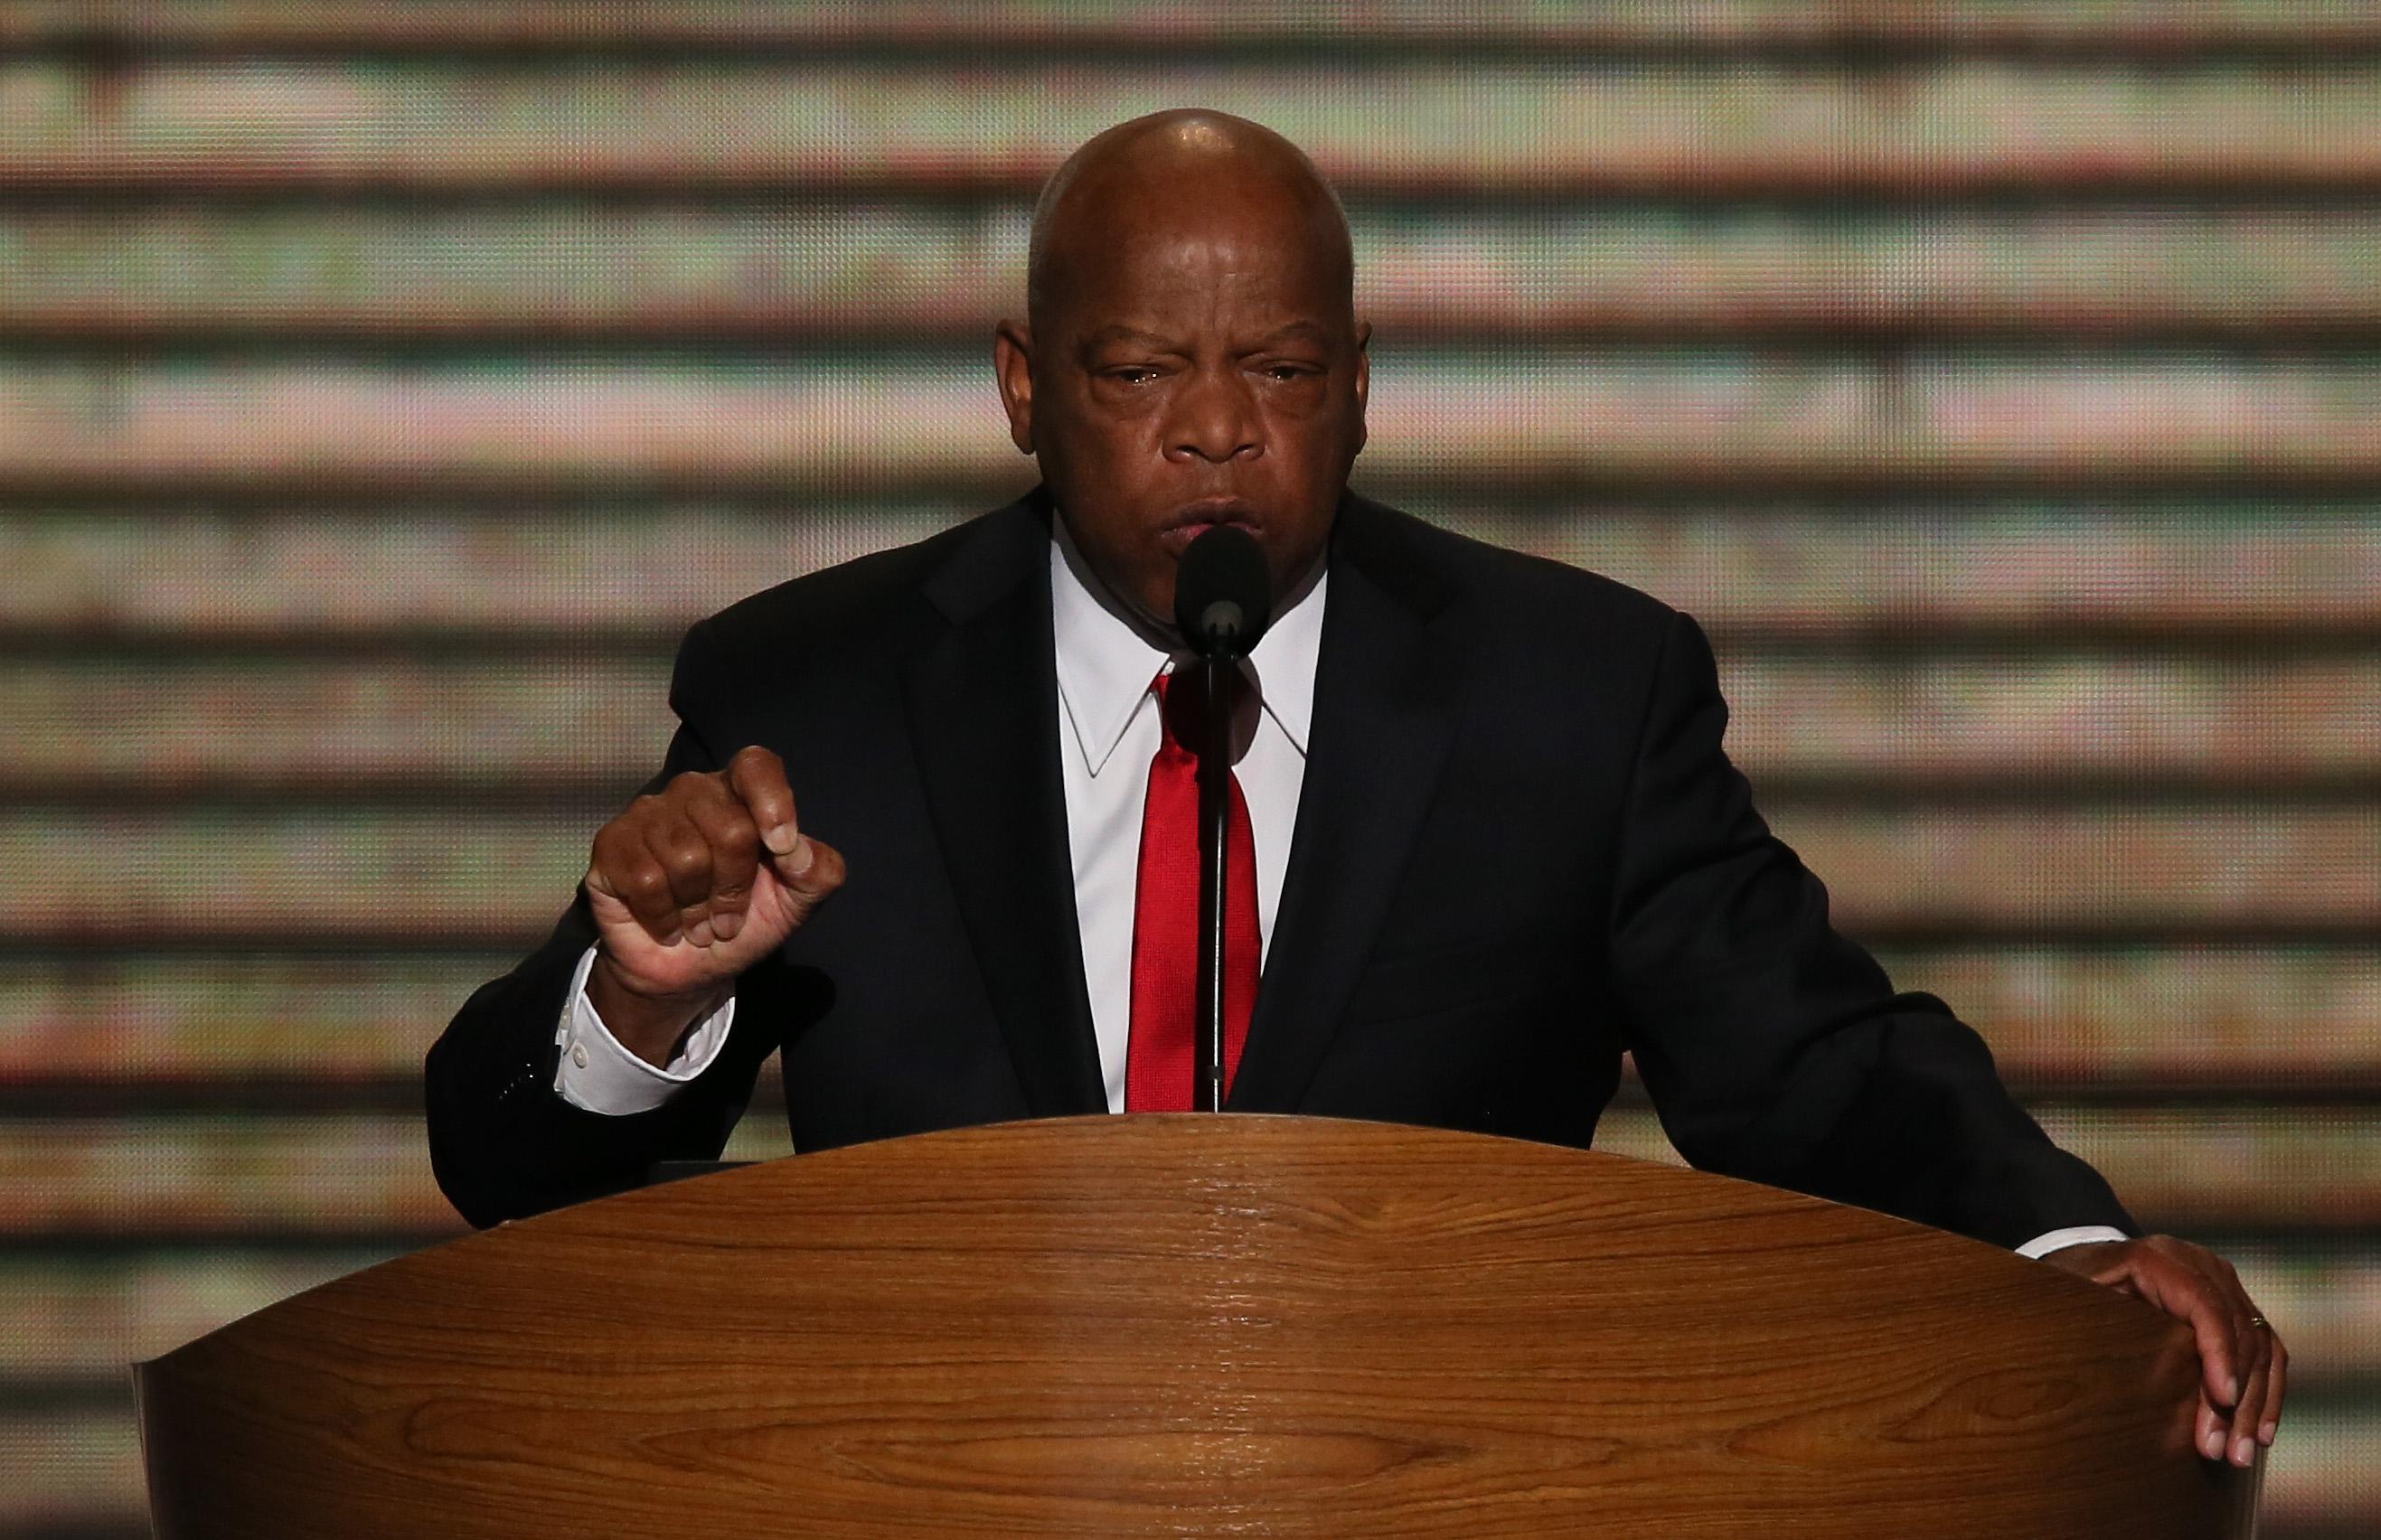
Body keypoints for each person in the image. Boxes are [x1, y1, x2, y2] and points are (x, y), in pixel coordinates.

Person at [425, 108, 2283, 1469]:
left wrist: (2073, 1246)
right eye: (1142, 368)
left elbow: (1812, 1070)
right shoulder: (811, 691)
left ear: (1366, 385)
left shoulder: (1572, 695)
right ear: (1021, 387)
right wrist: (643, 1004)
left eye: (1285, 366)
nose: (1218, 425)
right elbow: (504, 1168)